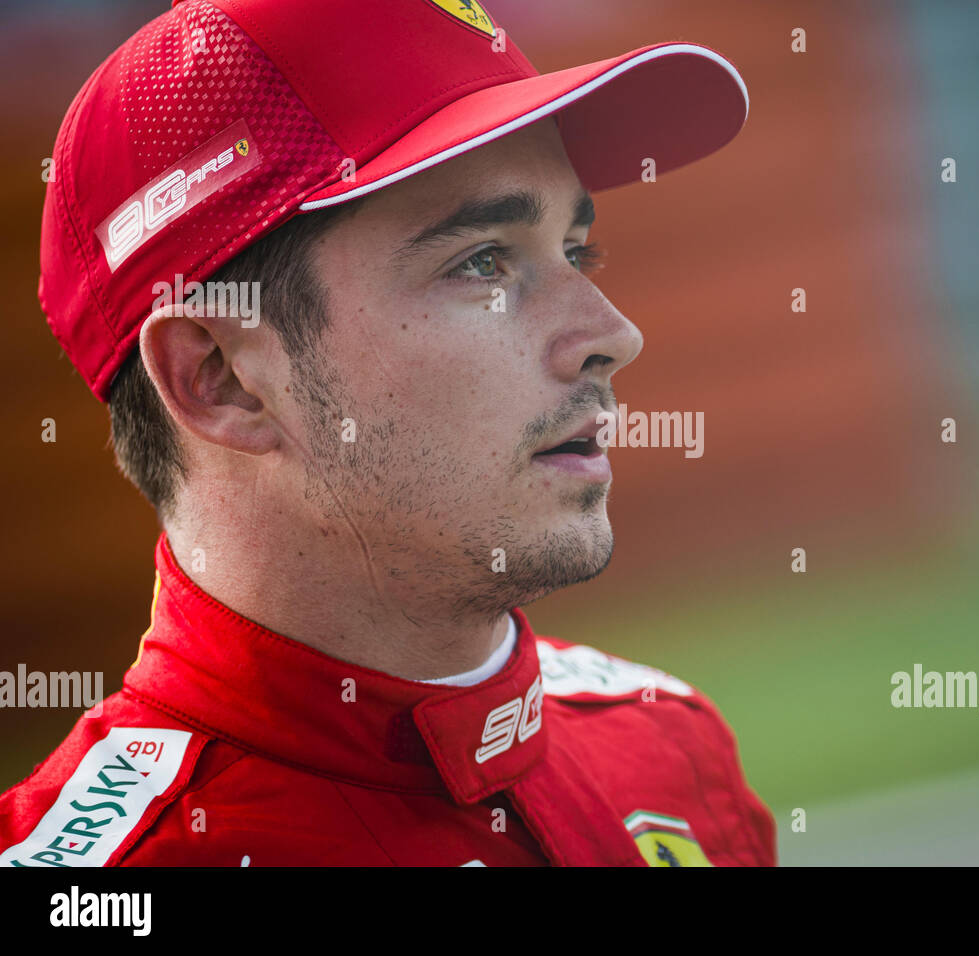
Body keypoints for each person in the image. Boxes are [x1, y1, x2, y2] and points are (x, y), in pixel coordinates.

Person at [1, 0, 774, 867]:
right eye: (481, 261)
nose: (611, 334)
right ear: (220, 379)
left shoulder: (671, 749)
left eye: (575, 249)